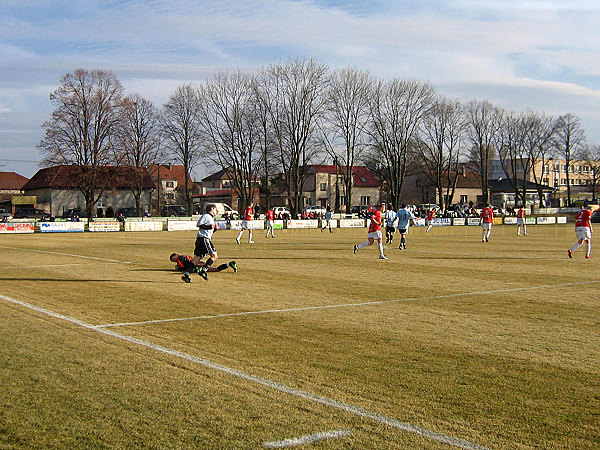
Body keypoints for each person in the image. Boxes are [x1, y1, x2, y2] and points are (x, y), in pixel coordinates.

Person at [192, 203, 220, 280]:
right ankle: (204, 270)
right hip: (204, 239)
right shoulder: (206, 216)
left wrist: (214, 229)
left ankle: (187, 274)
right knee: (214, 256)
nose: (216, 211)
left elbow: (208, 232)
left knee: (197, 258)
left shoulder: (210, 218)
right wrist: (210, 226)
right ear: (211, 209)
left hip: (202, 238)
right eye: (215, 209)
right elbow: (199, 224)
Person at [170, 253, 237, 283]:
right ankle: (229, 264)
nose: (174, 260)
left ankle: (199, 270)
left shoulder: (180, 258)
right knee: (214, 269)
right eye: (173, 260)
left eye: (173, 258)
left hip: (196, 264)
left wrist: (179, 268)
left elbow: (186, 265)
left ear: (176, 255)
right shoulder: (182, 257)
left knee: (212, 268)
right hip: (199, 262)